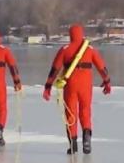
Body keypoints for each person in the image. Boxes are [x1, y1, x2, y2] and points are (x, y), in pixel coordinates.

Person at [42, 24, 111, 154]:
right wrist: (107, 82)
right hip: (86, 86)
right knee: (85, 112)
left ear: (70, 35)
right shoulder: (90, 49)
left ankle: (73, 145)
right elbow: (102, 68)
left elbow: (54, 70)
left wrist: (48, 86)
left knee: (70, 114)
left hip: (71, 86)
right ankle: (86, 141)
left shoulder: (64, 49)